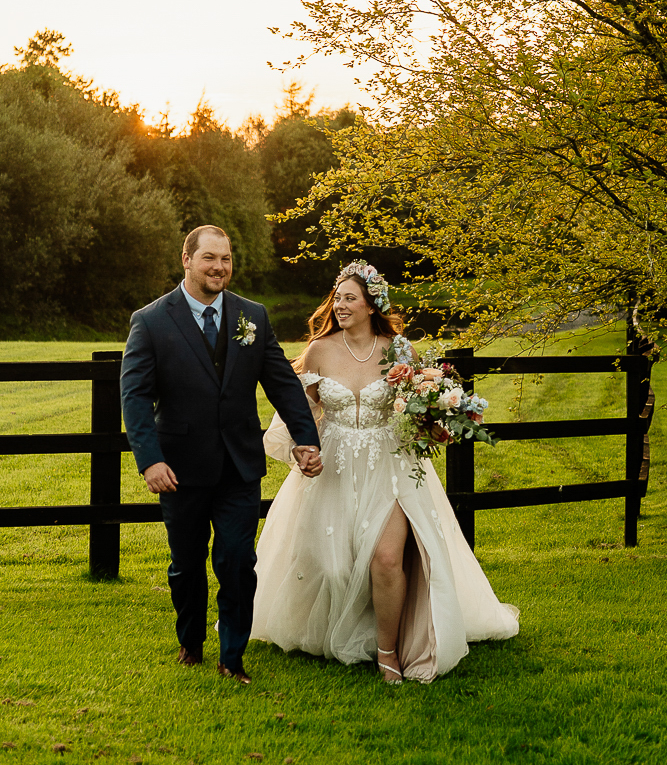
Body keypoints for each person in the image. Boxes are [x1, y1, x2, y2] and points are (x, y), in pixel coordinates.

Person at [252, 262, 519, 683]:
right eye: (336, 297)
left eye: (349, 298)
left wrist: (436, 421)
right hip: (335, 465)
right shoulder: (320, 350)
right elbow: (299, 412)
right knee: (334, 567)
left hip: (391, 463)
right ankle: (332, 631)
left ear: (372, 304)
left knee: (387, 559)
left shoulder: (399, 350)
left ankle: (388, 650)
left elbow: (416, 409)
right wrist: (302, 450)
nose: (339, 305)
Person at [120, 225, 322, 685]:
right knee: (186, 565)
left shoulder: (253, 316)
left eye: (226, 259)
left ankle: (232, 657)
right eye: (209, 258)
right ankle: (190, 641)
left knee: (236, 562)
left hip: (238, 467)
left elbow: (283, 384)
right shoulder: (149, 321)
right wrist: (150, 460)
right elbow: (134, 396)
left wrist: (305, 439)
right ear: (187, 260)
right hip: (179, 469)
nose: (219, 267)